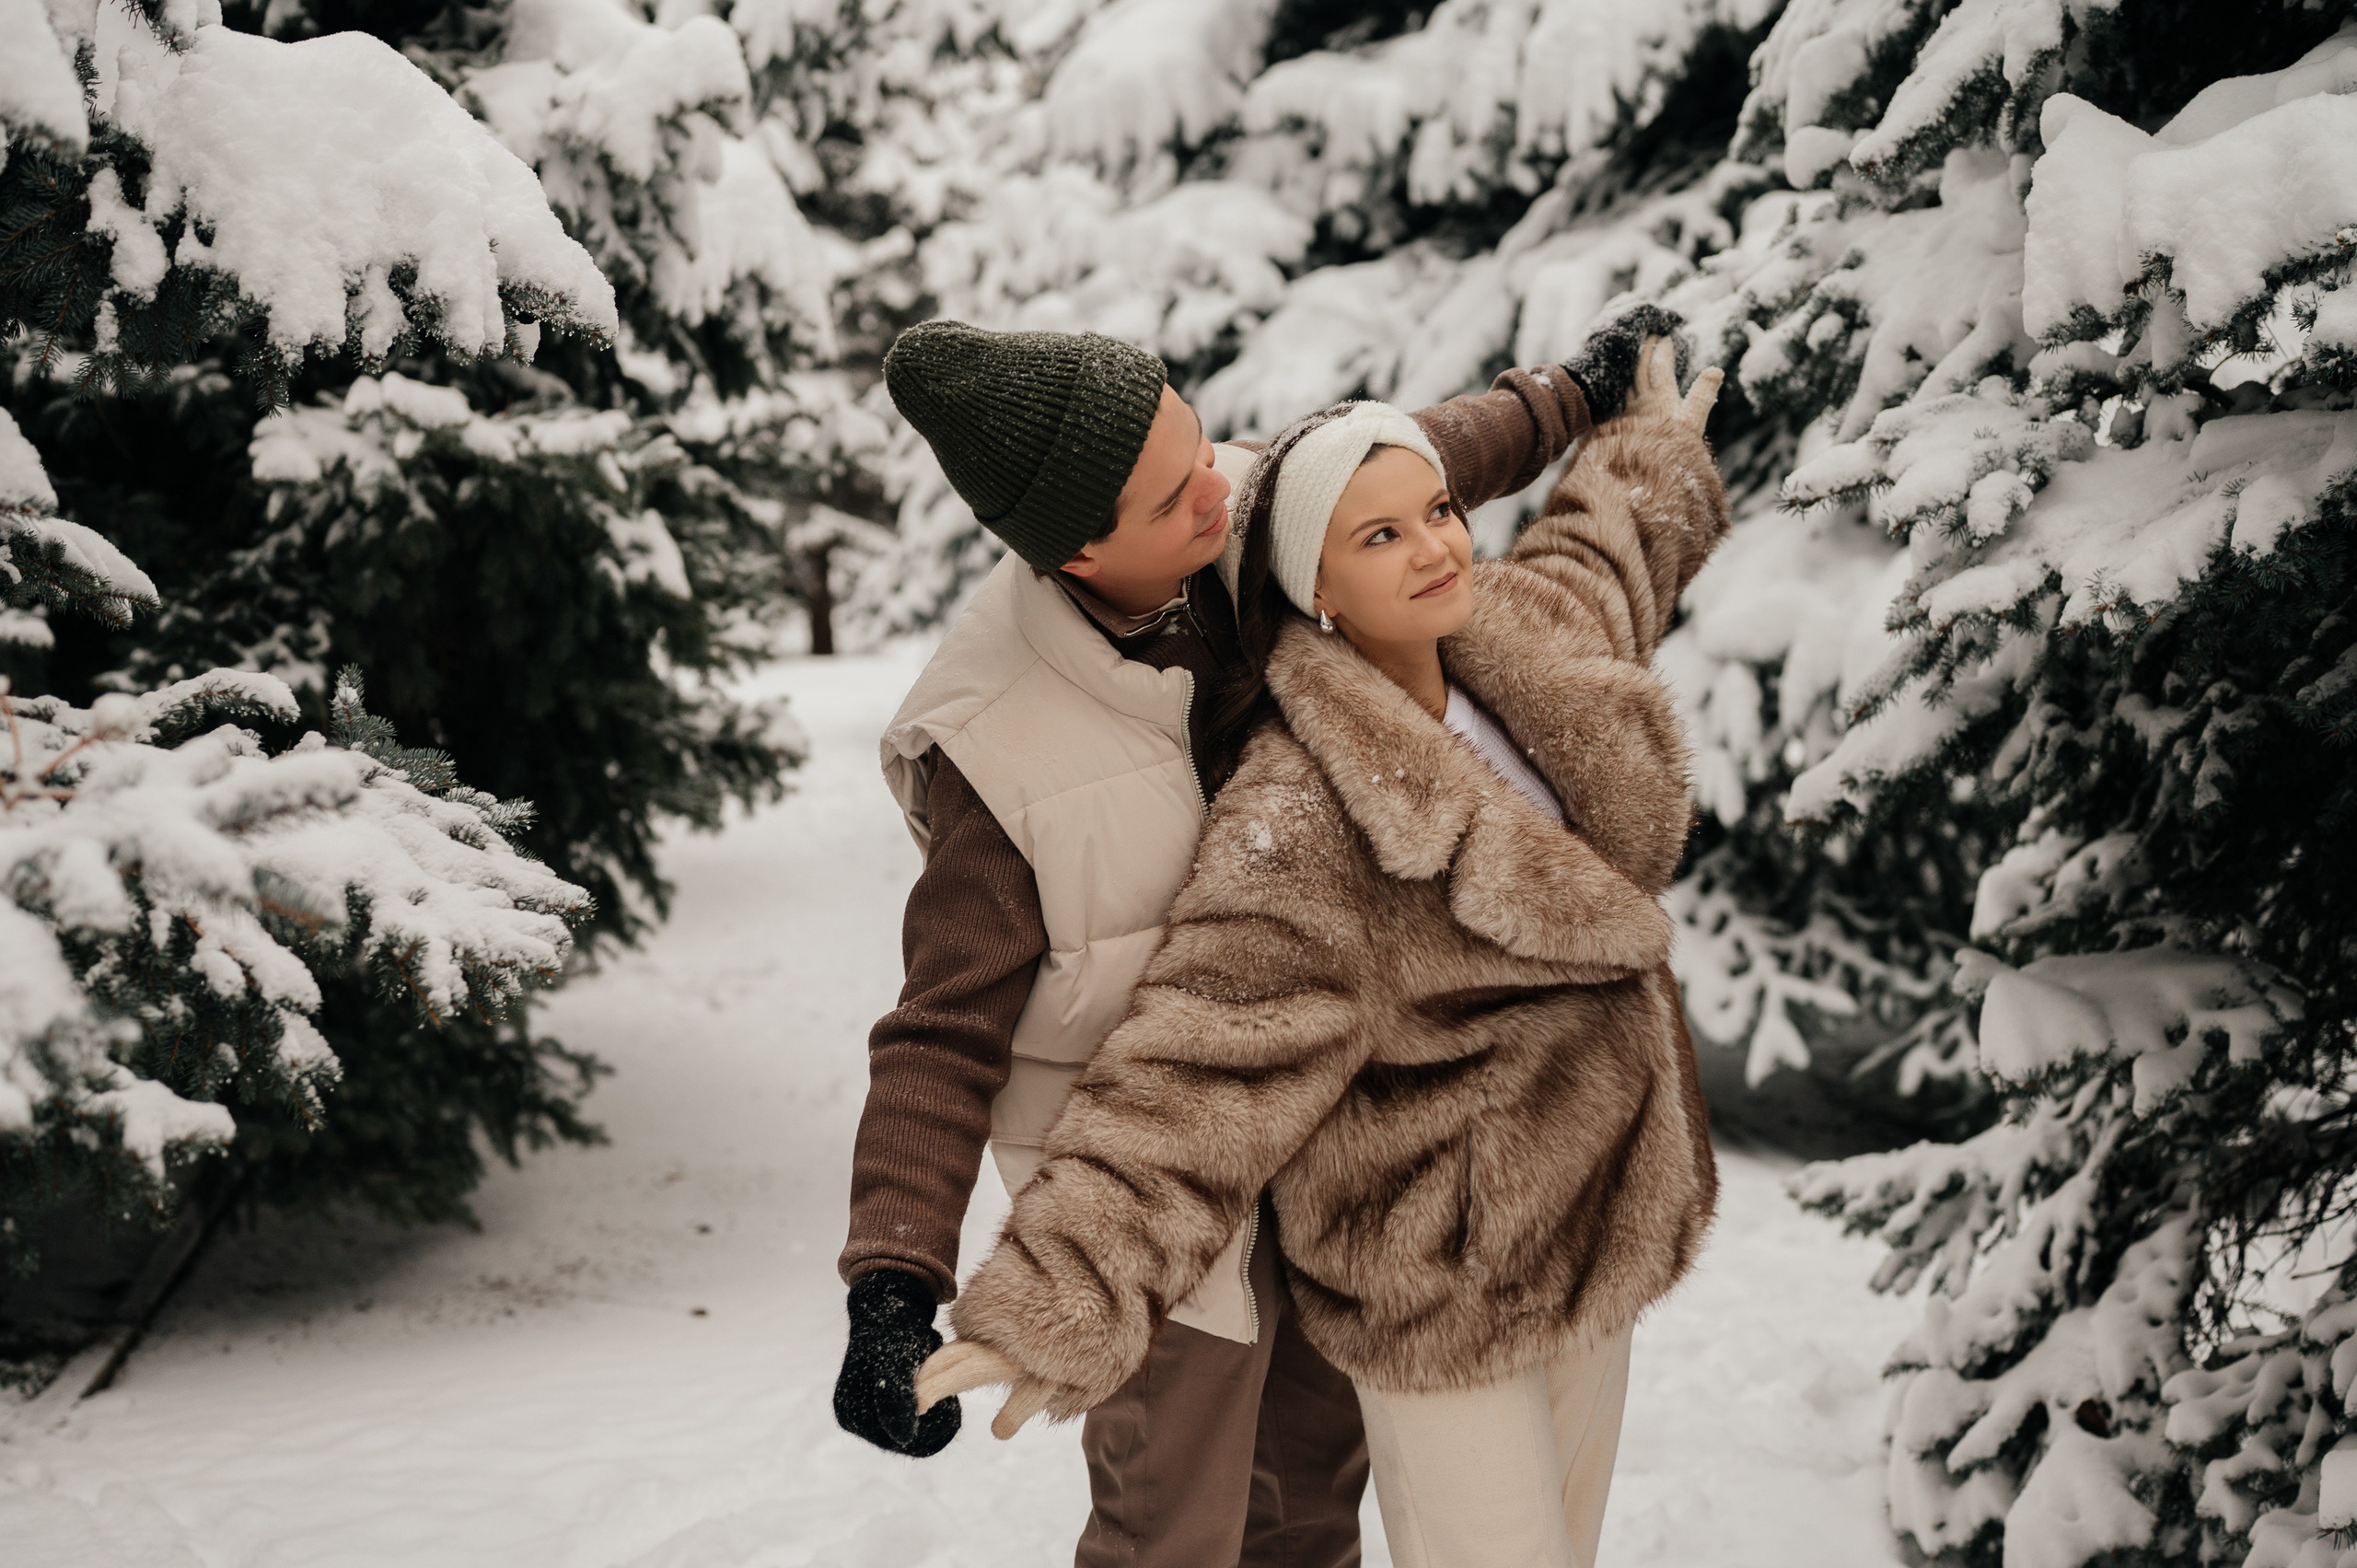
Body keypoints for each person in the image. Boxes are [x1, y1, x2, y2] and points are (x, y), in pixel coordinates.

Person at [833, 314, 1680, 1568]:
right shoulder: (994, 739)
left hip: (1329, 1143)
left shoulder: (1225, 514)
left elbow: (1403, 461)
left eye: (1202, 448)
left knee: (1307, 1506)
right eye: (1177, 492)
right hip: (1141, 1196)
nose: (1219, 490)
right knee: (1172, 1527)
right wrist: (892, 1279)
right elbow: (940, 1035)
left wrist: (1572, 396)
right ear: (1078, 551)